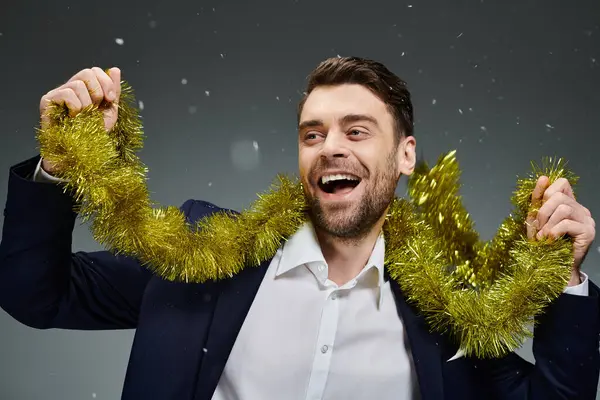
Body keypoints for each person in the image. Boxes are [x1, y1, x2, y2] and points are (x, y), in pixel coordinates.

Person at [0, 57, 598, 400]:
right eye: (313, 134)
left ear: (407, 156)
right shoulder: (202, 256)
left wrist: (564, 276)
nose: (330, 148)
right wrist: (59, 164)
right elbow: (36, 293)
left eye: (357, 131)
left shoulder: (449, 311)